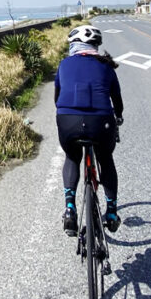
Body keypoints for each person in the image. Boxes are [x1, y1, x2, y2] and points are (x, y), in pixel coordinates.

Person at [54, 24, 124, 235]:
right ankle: (111, 212)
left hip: (68, 120)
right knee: (105, 159)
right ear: (96, 46)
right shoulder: (106, 67)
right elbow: (117, 100)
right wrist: (118, 117)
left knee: (72, 158)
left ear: (74, 45)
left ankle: (69, 208)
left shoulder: (64, 64)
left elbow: (57, 98)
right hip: (101, 122)